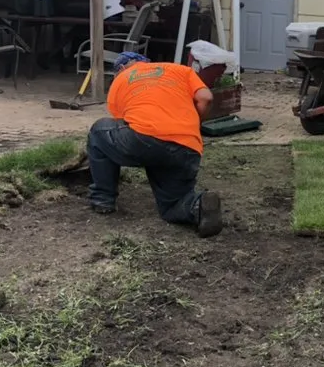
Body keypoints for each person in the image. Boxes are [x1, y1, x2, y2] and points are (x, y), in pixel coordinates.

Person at [86, 51, 223, 237]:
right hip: (187, 146)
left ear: (121, 68)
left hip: (144, 139)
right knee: (172, 205)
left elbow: (122, 123)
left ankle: (103, 199)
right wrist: (193, 124)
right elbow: (206, 98)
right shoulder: (181, 70)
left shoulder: (122, 78)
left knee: (99, 132)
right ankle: (197, 205)